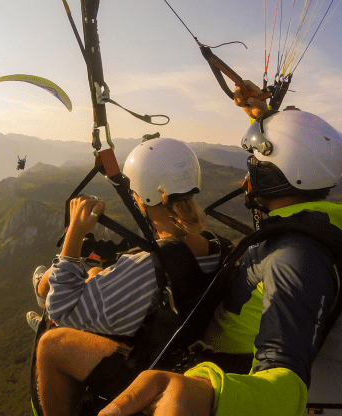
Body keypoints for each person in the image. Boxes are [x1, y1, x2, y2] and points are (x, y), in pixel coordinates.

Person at [97, 83, 342, 416]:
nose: (247, 174)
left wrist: (206, 394)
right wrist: (265, 117)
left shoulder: (296, 255)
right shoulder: (321, 227)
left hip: (223, 366)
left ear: (272, 176)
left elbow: (284, 381)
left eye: (254, 163)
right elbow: (296, 159)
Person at [33, 138, 225, 416]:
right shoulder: (213, 244)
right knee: (96, 271)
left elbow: (62, 309)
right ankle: (76, 281)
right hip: (181, 341)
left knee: (51, 344)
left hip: (150, 363)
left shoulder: (148, 266)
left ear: (142, 197)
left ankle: (46, 290)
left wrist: (74, 232)